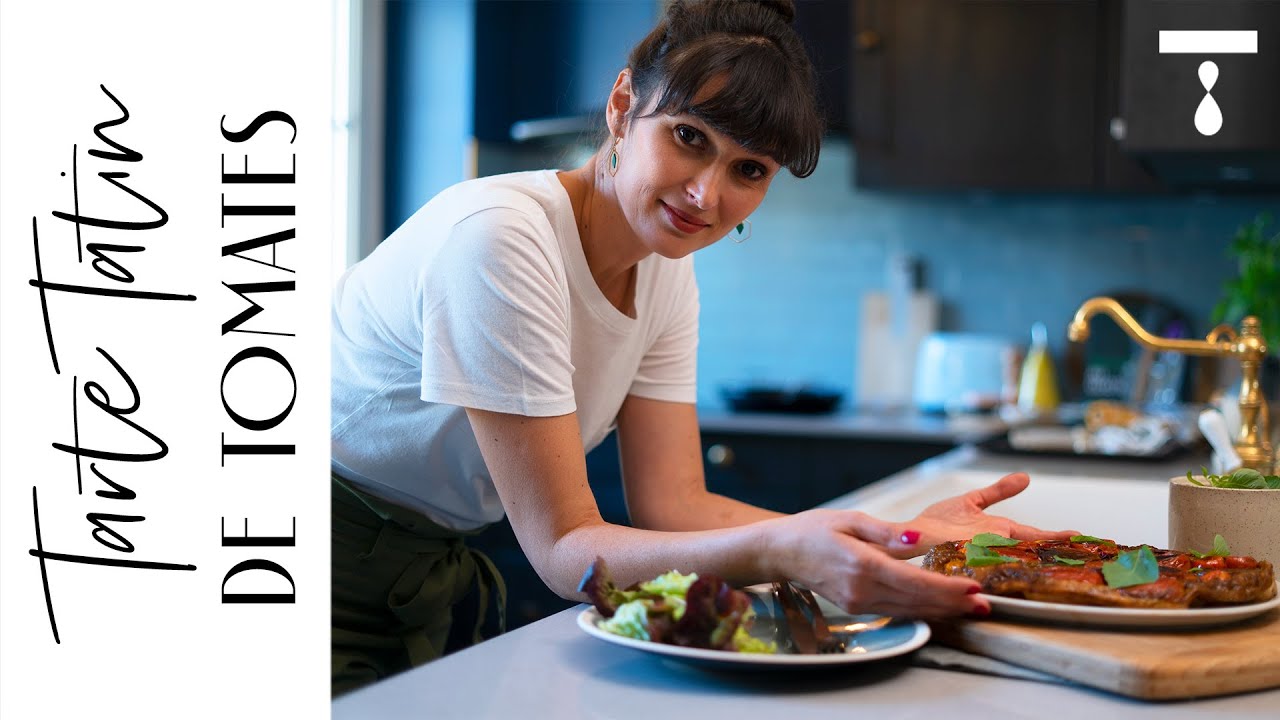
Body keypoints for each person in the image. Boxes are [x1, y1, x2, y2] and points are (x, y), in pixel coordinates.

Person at [330, 0, 1070, 696]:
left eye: (749, 170)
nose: (705, 197)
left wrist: (894, 543)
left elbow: (674, 503)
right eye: (689, 138)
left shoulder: (664, 273)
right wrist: (785, 551)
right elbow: (563, 550)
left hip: (423, 579)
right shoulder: (500, 239)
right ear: (623, 106)